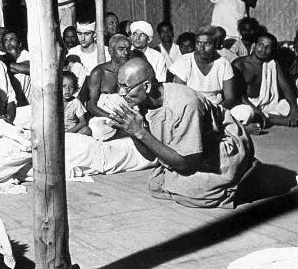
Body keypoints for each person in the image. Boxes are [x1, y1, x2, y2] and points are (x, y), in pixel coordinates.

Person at [109, 57, 255, 208]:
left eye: (126, 88)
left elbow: (186, 164)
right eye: (119, 86)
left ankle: (246, 174)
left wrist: (141, 132)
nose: (121, 93)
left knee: (190, 192)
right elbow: (151, 155)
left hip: (223, 147)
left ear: (146, 86)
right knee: (157, 184)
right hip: (191, 153)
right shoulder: (140, 101)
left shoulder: (186, 103)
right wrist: (132, 131)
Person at [230, 33, 298, 127]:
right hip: (248, 104)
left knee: (295, 103)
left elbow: (286, 88)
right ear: (254, 45)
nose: (263, 49)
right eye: (260, 45)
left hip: (269, 104)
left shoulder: (272, 64)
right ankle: (279, 121)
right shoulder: (239, 64)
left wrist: (294, 108)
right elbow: (238, 96)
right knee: (246, 113)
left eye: (268, 47)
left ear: (273, 50)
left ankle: (268, 119)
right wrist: (258, 111)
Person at [170, 26, 239, 109]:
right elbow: (179, 95)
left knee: (246, 111)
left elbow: (230, 98)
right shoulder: (185, 61)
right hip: (190, 106)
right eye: (199, 43)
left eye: (207, 44)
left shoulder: (223, 63)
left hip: (216, 107)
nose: (202, 48)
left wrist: (216, 110)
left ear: (215, 45)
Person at [83, 34, 132, 140]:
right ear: (111, 51)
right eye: (121, 49)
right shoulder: (99, 72)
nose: (125, 53)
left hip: (128, 117)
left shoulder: (132, 71)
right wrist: (112, 117)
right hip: (105, 118)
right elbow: (91, 105)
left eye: (128, 49)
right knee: (98, 130)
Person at [66, 21, 110, 88]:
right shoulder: (73, 52)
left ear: (94, 34)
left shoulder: (105, 52)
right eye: (79, 33)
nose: (82, 38)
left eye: (87, 34)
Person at [2, 30, 31, 103]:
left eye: (11, 39)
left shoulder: (27, 55)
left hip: (26, 104)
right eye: (6, 40)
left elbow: (31, 69)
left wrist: (7, 67)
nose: (8, 43)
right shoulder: (5, 58)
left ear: (19, 43)